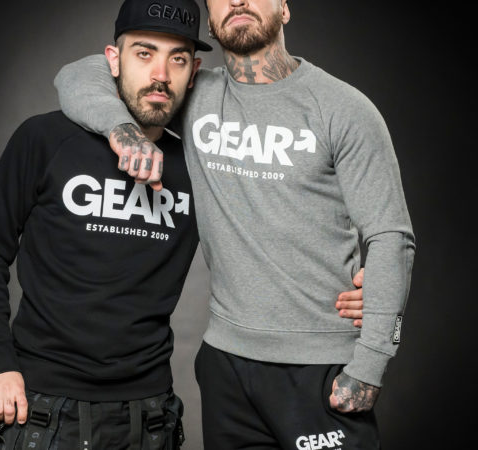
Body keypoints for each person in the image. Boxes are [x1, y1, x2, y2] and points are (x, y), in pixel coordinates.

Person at [54, 0, 415, 448]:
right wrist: (121, 130)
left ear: (284, 8)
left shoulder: (342, 108)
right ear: (210, 19)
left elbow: (391, 235)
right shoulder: (194, 94)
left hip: (320, 363)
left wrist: (371, 362)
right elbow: (77, 74)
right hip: (225, 365)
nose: (238, 1)